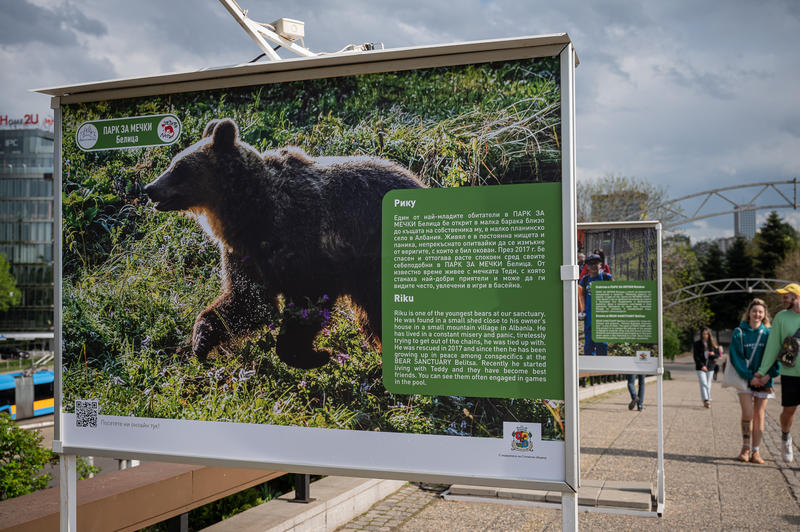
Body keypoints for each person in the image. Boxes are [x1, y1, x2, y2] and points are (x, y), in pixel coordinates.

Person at [752, 282, 800, 463]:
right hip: (791, 373)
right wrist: (762, 371)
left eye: (785, 296)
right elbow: (773, 346)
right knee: (788, 412)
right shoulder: (781, 317)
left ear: (795, 296)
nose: (782, 299)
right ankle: (786, 436)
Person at [729, 298, 776, 464]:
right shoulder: (739, 332)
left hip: (765, 380)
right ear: (749, 312)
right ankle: (745, 447)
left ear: (764, 315)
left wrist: (766, 376)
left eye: (760, 312)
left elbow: (776, 358)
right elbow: (736, 357)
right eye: (754, 311)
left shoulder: (770, 334)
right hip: (745, 380)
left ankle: (756, 451)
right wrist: (750, 376)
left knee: (759, 416)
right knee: (748, 413)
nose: (757, 314)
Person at [578, 253, 612, 355]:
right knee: (589, 342)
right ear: (587, 266)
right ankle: (590, 365)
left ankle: (602, 365)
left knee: (601, 341)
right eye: (590, 264)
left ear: (600, 265)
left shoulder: (606, 277)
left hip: (602, 314)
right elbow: (582, 294)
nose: (593, 266)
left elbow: (615, 291)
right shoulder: (585, 280)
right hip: (589, 314)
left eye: (595, 263)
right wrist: (583, 309)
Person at [693, 326, 722, 408]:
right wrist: (702, 365)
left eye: (707, 334)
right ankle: (706, 399)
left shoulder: (713, 344)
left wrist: (713, 354)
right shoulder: (697, 344)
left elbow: (718, 355)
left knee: (708, 384)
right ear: (701, 334)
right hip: (700, 367)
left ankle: (706, 400)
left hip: (711, 366)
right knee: (703, 383)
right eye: (704, 334)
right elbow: (696, 356)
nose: (705, 335)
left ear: (709, 334)